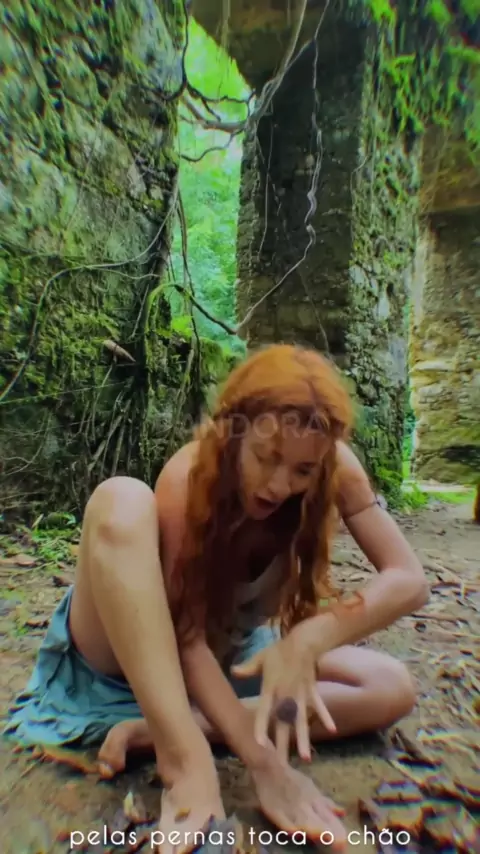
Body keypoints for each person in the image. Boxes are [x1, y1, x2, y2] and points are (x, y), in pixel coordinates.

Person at [4, 344, 429, 853]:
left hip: (227, 663)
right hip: (127, 667)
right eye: (266, 458)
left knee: (389, 684)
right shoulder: (190, 477)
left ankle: (173, 729)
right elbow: (185, 639)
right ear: (232, 431)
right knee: (121, 498)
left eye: (301, 471)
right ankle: (184, 755)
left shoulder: (328, 461)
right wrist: (265, 764)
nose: (280, 485)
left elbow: (408, 579)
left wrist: (310, 639)